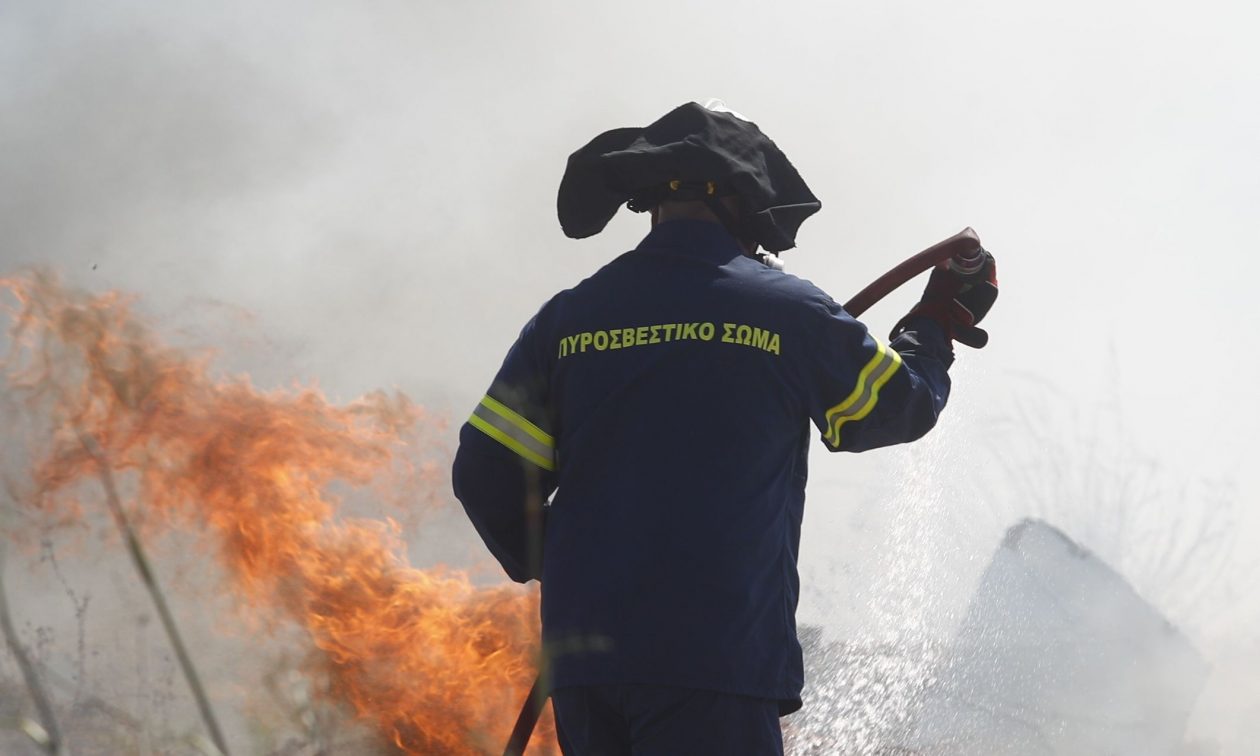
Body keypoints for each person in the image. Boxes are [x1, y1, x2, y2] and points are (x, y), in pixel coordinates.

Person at [451, 101, 997, 756]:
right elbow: (898, 405)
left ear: (652, 202)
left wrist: (573, 563)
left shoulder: (568, 320)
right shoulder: (787, 313)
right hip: (714, 658)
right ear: (744, 203)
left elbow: (484, 474)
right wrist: (933, 324)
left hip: (586, 664)